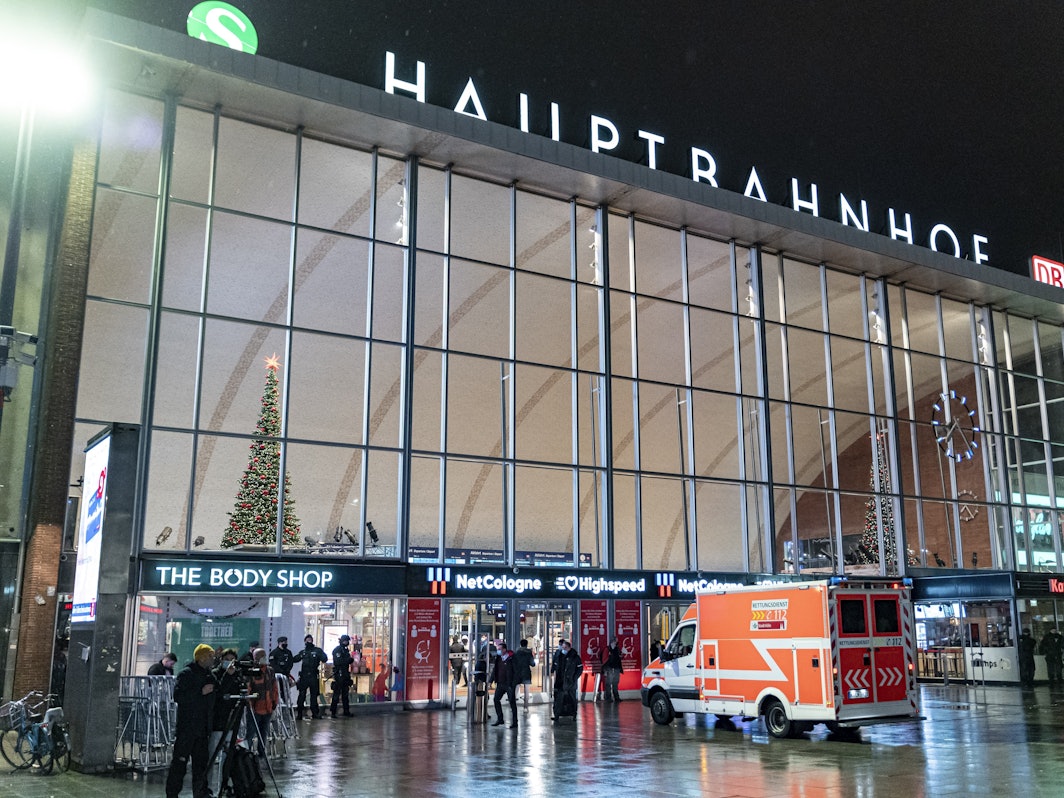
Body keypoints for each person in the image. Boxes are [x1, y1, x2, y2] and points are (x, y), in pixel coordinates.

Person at [165, 644, 217, 798]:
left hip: (202, 729)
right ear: (200, 657)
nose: (212, 659)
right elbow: (179, 696)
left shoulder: (210, 676)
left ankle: (201, 792)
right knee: (180, 763)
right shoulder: (187, 674)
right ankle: (172, 793)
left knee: (201, 765)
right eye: (209, 656)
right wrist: (200, 692)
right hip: (187, 728)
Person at [248, 648, 278, 757]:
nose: (264, 658)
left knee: (263, 732)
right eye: (261, 656)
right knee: (250, 733)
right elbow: (248, 689)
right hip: (255, 709)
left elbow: (274, 688)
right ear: (255, 658)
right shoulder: (251, 672)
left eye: (264, 655)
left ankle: (262, 752)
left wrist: (275, 703)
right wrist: (250, 706)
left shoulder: (270, 671)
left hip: (268, 707)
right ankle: (247, 754)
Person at [293, 634, 327, 720]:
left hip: (313, 676)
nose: (309, 641)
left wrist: (320, 654)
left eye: (310, 640)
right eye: (307, 640)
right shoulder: (303, 652)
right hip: (304, 676)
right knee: (301, 695)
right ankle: (299, 713)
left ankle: (315, 713)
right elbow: (294, 659)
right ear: (304, 641)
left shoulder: (317, 650)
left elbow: (324, 659)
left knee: (314, 696)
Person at [553, 640, 582, 722]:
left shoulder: (575, 657)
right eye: (562, 648)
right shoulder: (560, 656)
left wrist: (574, 678)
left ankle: (573, 714)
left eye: (564, 648)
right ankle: (557, 715)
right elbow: (557, 668)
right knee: (559, 699)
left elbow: (580, 669)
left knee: (572, 699)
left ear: (569, 648)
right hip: (561, 682)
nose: (563, 649)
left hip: (570, 682)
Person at [490, 642, 518, 728]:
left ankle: (514, 721)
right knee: (496, 699)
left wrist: (513, 683)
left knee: (512, 702)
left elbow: (516, 671)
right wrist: (490, 681)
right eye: (497, 649)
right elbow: (495, 669)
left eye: (499, 649)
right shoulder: (498, 658)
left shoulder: (511, 658)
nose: (498, 651)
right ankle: (500, 718)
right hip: (500, 683)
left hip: (509, 684)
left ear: (504, 650)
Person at [330, 634, 355, 717]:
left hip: (345, 674)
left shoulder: (345, 650)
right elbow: (338, 661)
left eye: (347, 641)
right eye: (345, 641)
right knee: (337, 693)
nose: (346, 642)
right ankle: (333, 712)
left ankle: (346, 711)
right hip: (339, 673)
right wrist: (348, 660)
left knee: (345, 694)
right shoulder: (337, 650)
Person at [269, 637, 294, 702]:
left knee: (285, 691)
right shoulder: (274, 652)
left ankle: (286, 703)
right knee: (276, 690)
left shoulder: (288, 652)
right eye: (284, 642)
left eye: (286, 642)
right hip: (277, 675)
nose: (285, 643)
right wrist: (280, 670)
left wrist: (287, 670)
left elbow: (291, 662)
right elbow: (273, 664)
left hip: (286, 675)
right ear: (280, 643)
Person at [512, 639, 535, 708]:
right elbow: (532, 663)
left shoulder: (516, 652)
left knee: (515, 688)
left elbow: (513, 662)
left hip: (517, 672)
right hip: (526, 672)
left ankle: (513, 705)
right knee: (527, 690)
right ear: (527, 644)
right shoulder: (529, 652)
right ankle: (526, 706)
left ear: (520, 644)